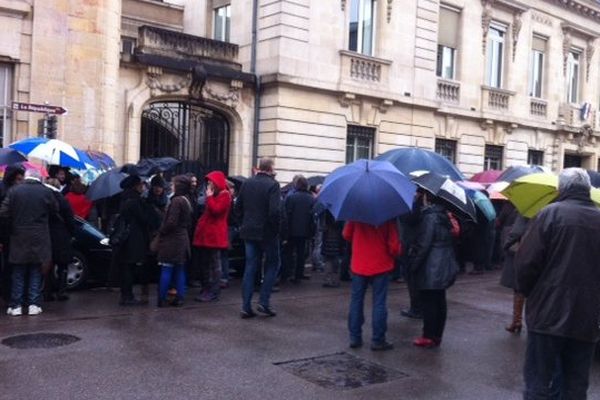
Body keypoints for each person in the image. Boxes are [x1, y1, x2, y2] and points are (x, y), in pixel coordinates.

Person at [515, 168, 600, 399]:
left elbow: (526, 263)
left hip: (547, 312)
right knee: (575, 384)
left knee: (538, 380)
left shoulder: (549, 214)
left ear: (561, 189)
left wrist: (526, 292)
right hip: (587, 315)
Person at [0, 169, 57, 316]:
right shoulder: (45, 192)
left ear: (26, 177)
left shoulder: (14, 191)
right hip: (40, 235)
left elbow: (4, 212)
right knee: (36, 270)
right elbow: (54, 209)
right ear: (38, 178)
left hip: (18, 235)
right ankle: (33, 304)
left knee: (18, 271)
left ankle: (16, 305)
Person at [343, 219, 401, 351]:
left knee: (356, 301)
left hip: (359, 263)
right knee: (379, 302)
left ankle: (355, 337)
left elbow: (346, 235)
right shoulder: (387, 218)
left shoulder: (356, 215)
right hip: (381, 264)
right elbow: (394, 247)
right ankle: (378, 339)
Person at [409, 193, 459, 348]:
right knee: (439, 299)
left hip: (431, 265)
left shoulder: (430, 217)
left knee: (429, 300)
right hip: (444, 261)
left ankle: (428, 335)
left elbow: (424, 244)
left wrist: (414, 265)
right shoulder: (445, 215)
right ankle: (437, 335)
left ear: (428, 199)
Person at [235, 158, 281, 318]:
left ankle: (246, 306)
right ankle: (264, 301)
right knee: (272, 265)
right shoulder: (273, 185)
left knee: (250, 267)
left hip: (248, 231)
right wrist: (274, 230)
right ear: (270, 169)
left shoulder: (247, 183)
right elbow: (275, 211)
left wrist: (242, 223)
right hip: (267, 233)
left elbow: (238, 206)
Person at [193, 171, 232, 302]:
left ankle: (213, 291)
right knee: (205, 263)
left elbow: (216, 211)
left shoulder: (225, 195)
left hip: (214, 235)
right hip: (207, 234)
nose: (209, 186)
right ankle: (206, 288)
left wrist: (209, 197)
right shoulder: (216, 194)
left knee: (214, 264)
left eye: (211, 183)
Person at [155, 175, 193, 307]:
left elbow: (171, 222)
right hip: (182, 239)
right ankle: (180, 297)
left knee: (167, 268)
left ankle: (162, 298)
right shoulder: (186, 200)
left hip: (172, 241)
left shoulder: (176, 201)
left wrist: (162, 231)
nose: (171, 186)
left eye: (173, 184)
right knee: (180, 269)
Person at [114, 175, 151, 306]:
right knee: (130, 267)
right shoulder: (135, 201)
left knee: (126, 267)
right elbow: (144, 219)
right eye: (141, 184)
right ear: (135, 186)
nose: (143, 187)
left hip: (125, 238)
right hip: (133, 238)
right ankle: (128, 296)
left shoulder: (124, 198)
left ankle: (125, 295)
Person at [44, 178, 76, 302]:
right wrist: (72, 233)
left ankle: (48, 292)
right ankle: (61, 291)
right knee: (62, 264)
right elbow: (70, 219)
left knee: (48, 265)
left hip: (46, 234)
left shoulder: (43, 198)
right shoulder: (62, 199)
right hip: (61, 235)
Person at [282, 176, 315, 283]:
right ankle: (298, 275)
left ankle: (286, 274)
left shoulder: (291, 197)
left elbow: (287, 215)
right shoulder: (311, 198)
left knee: (288, 253)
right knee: (301, 254)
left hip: (291, 231)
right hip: (305, 231)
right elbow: (312, 217)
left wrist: (285, 231)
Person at [500, 212, 529, 333]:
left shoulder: (527, 211)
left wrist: (506, 245)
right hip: (542, 255)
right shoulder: (549, 211)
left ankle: (517, 321)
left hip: (523, 253)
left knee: (519, 288)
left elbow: (516, 232)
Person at [0, 164, 25, 303]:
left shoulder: (8, 189)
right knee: (9, 265)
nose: (20, 182)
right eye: (19, 179)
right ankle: (7, 293)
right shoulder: (8, 191)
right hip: (8, 233)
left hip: (10, 233)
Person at [321, 210, 345, 288]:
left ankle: (326, 279)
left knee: (328, 259)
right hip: (336, 238)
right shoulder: (339, 212)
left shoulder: (327, 210)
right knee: (335, 260)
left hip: (327, 236)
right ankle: (334, 280)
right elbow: (340, 225)